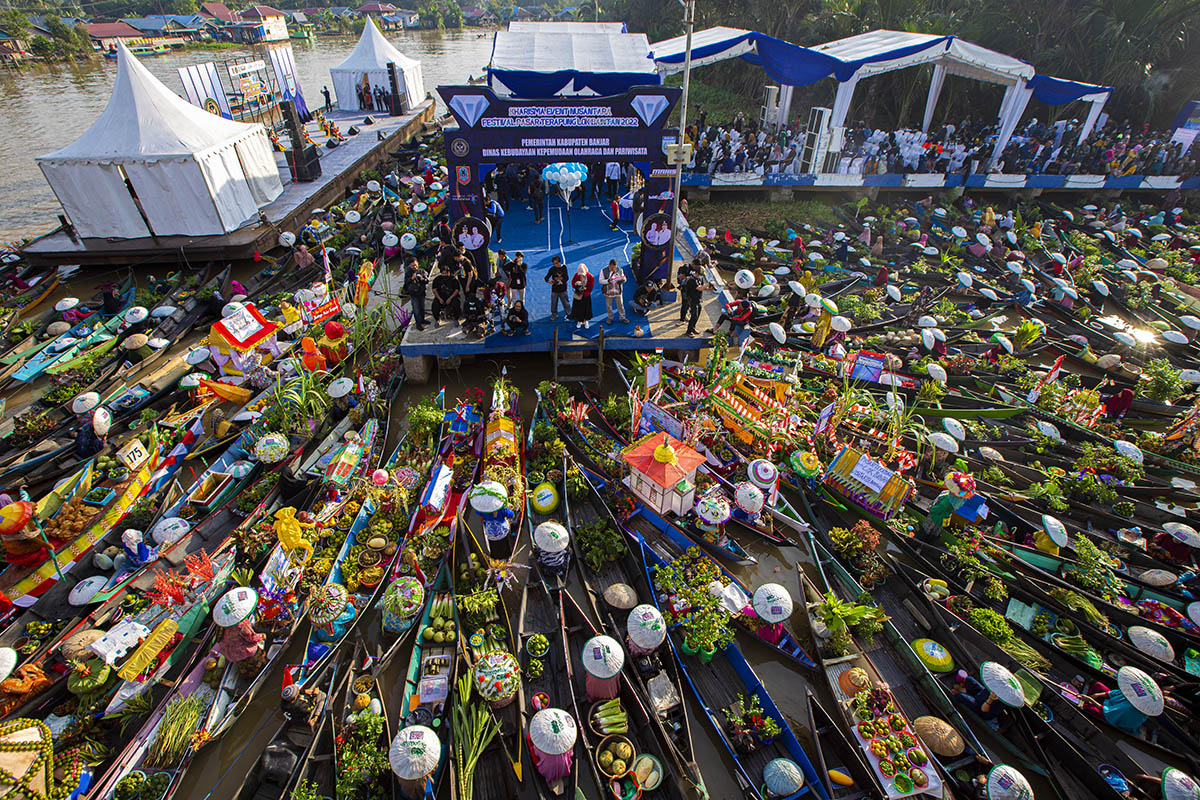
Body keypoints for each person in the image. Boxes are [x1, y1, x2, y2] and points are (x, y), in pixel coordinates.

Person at [403, 259, 428, 330]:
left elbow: (427, 281)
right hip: (414, 294)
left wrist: (422, 279)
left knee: (422, 307)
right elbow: (406, 283)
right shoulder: (408, 273)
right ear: (410, 266)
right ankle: (418, 324)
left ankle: (423, 320)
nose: (415, 267)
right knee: (416, 309)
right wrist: (411, 278)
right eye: (413, 265)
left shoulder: (421, 271)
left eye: (415, 265)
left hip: (422, 292)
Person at [600, 259, 628, 324]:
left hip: (618, 291)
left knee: (620, 305)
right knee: (609, 306)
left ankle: (622, 318)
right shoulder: (603, 270)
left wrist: (623, 279)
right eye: (611, 267)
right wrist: (608, 281)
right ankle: (610, 318)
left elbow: (624, 278)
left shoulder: (620, 270)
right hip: (608, 292)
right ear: (609, 265)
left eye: (614, 267)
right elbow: (600, 281)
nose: (613, 269)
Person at [681, 268, 707, 335]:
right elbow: (699, 288)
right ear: (697, 273)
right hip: (692, 299)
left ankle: (693, 328)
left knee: (697, 314)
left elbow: (702, 287)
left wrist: (710, 287)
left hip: (698, 299)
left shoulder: (700, 279)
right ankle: (689, 331)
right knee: (694, 315)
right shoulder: (691, 280)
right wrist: (708, 284)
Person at [571, 263, 595, 329]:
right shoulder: (576, 275)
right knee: (578, 308)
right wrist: (576, 284)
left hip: (586, 295)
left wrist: (585, 289)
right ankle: (579, 320)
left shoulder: (590, 276)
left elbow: (591, 286)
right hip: (579, 294)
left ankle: (586, 320)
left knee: (586, 308)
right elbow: (573, 284)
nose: (581, 275)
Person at [546, 255, 569, 321]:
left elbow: (566, 277)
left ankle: (569, 314)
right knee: (553, 303)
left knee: (566, 303)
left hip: (563, 289)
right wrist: (549, 281)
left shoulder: (564, 268)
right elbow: (546, 278)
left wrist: (562, 282)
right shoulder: (552, 269)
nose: (555, 265)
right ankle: (554, 314)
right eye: (553, 263)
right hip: (555, 289)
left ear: (559, 262)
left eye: (556, 263)